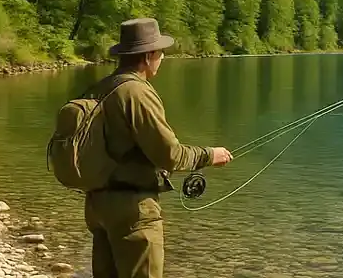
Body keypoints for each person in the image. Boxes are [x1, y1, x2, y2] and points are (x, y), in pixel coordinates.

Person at [83, 17, 232, 278]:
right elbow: (169, 155)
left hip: (98, 204)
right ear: (149, 55)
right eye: (160, 53)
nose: (162, 58)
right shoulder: (137, 93)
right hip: (132, 210)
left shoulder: (101, 88)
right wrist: (210, 155)